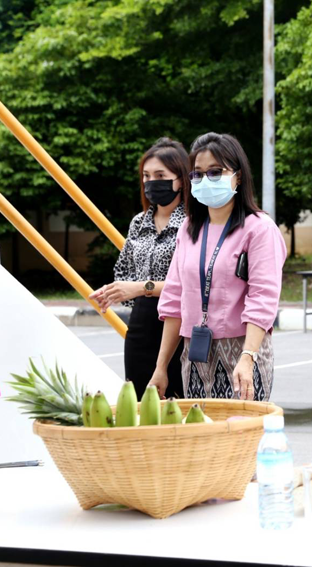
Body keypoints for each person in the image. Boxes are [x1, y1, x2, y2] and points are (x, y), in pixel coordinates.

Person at [149, 132, 287, 401]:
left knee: (240, 427)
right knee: (201, 427)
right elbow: (175, 298)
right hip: (195, 356)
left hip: (243, 353)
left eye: (215, 172)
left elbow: (263, 298)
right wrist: (161, 367)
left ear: (238, 176)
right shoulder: (189, 228)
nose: (205, 180)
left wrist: (248, 357)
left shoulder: (259, 229)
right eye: (197, 174)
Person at [90, 138, 188, 399]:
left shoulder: (194, 223)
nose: (151, 182)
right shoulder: (138, 222)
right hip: (142, 324)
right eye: (146, 176)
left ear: (181, 180)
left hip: (181, 323)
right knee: (140, 403)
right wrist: (113, 291)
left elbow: (192, 285)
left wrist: (141, 288)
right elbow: (124, 272)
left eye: (160, 175)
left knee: (178, 404)